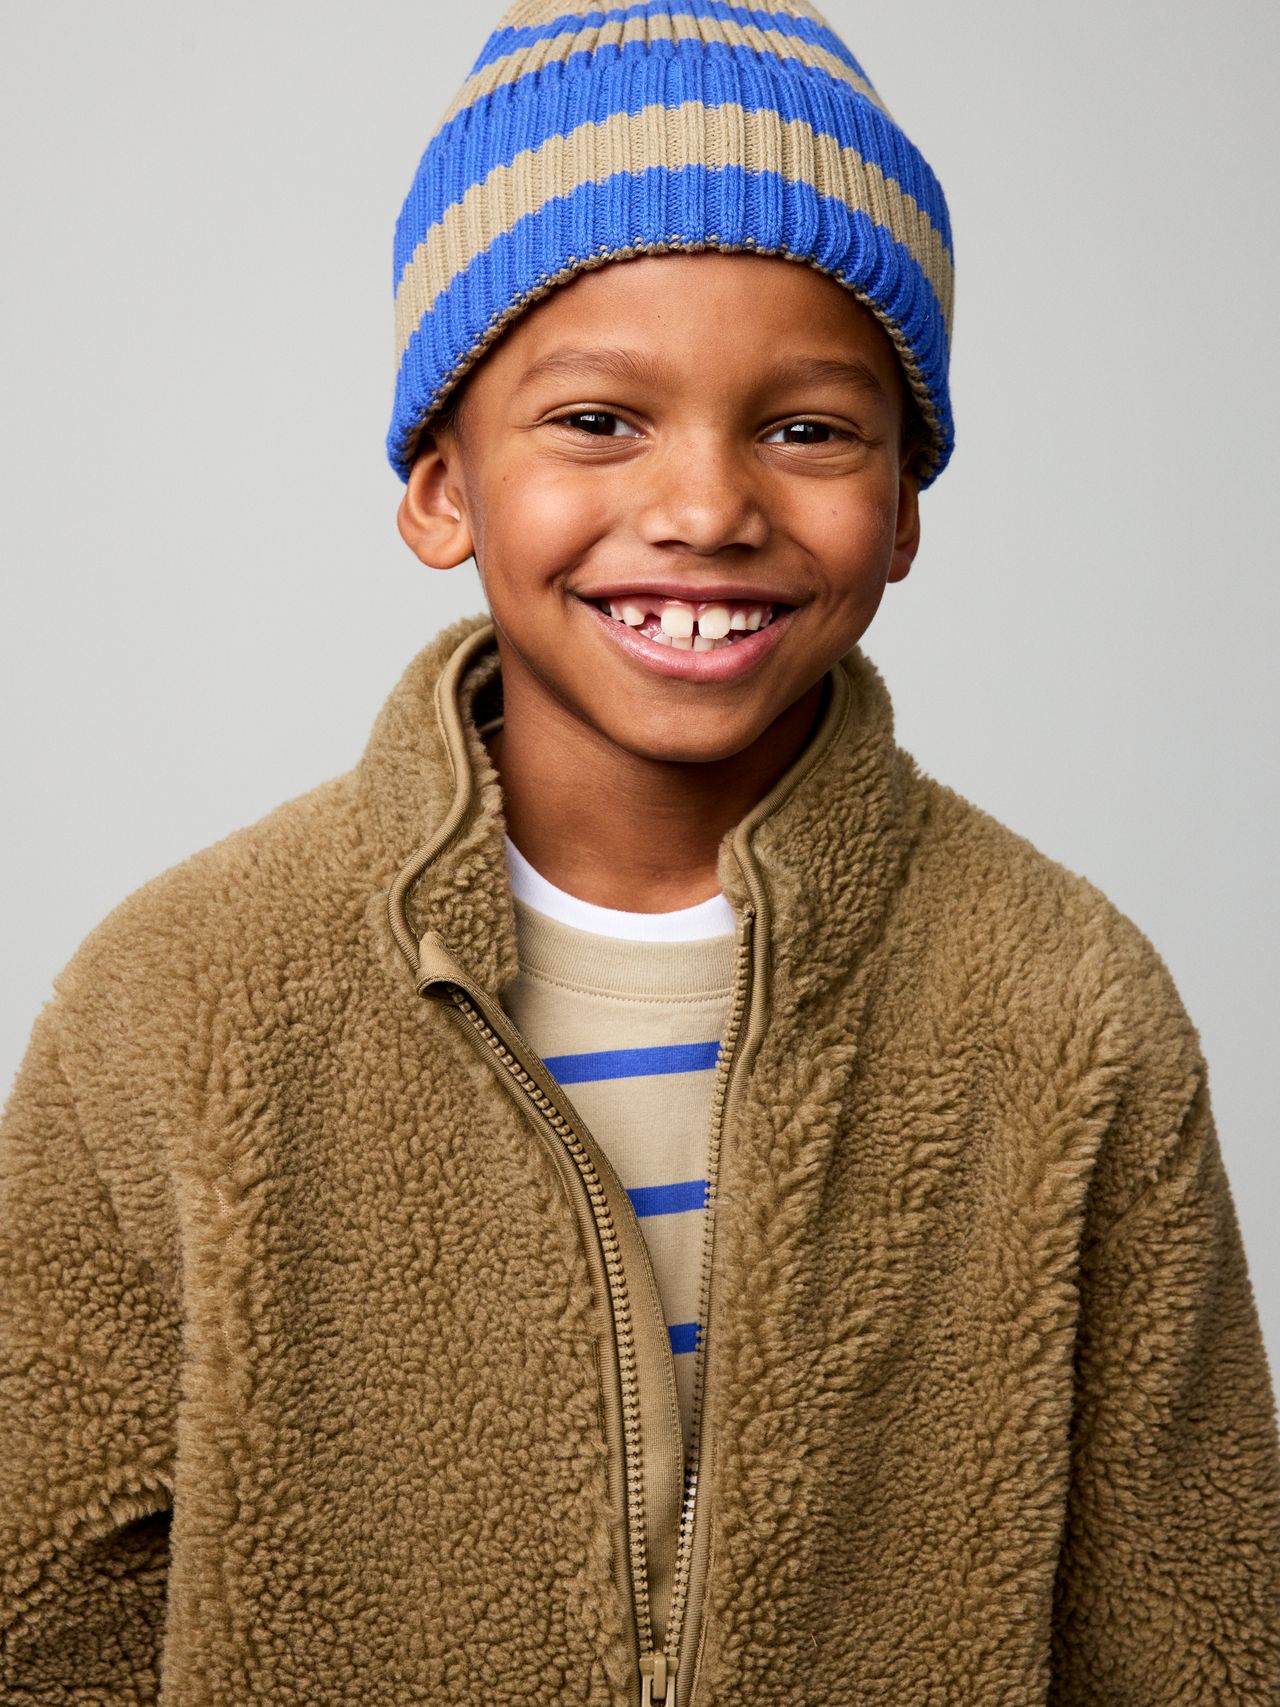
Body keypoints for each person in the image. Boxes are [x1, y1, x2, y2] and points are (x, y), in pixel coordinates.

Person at [3, 1, 1278, 1701]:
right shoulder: (188, 993)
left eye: (808, 428)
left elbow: (1193, 1621)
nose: (707, 506)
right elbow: (49, 1600)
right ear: (442, 482)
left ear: (906, 504)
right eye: (600, 419)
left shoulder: (1063, 1003)